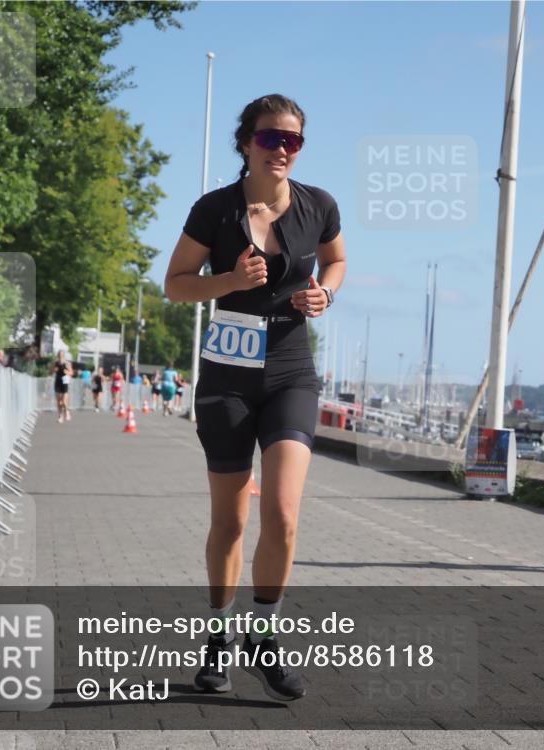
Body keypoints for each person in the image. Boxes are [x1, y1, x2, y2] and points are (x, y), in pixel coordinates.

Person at [164, 93, 346, 700]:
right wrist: (230, 281)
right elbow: (175, 285)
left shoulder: (318, 205)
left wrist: (325, 292)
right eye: (271, 138)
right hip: (228, 378)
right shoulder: (213, 209)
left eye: (293, 140)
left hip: (291, 372)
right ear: (246, 142)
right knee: (231, 521)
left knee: (286, 516)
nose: (282, 150)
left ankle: (262, 636)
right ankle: (218, 637)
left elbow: (337, 261)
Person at [51, 350, 74, 424]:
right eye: (59, 355)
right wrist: (54, 370)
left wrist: (67, 372)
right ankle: (60, 416)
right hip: (58, 382)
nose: (60, 356)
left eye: (62, 355)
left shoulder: (67, 363)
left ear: (63, 355)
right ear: (58, 355)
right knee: (59, 401)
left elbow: (71, 373)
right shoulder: (55, 363)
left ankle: (67, 411)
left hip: (65, 381)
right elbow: (51, 371)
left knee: (64, 401)